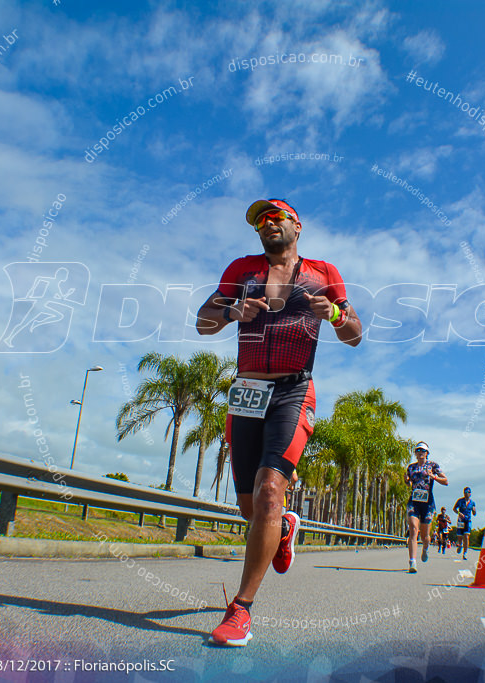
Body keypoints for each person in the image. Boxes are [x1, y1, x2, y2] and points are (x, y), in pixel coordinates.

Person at [196, 198, 362, 646]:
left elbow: (355, 335)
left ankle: (241, 610)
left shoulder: (324, 272)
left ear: (296, 226)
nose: (267, 224)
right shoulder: (242, 269)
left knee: (271, 489)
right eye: (260, 221)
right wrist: (231, 312)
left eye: (275, 217)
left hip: (293, 389)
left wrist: (335, 314)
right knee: (253, 510)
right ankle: (284, 527)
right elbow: (202, 322)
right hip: (247, 392)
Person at [404, 441, 448, 573]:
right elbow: (409, 482)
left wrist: (433, 476)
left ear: (427, 453)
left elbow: (445, 481)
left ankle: (425, 547)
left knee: (425, 536)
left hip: (428, 503)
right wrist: (407, 480)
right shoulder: (411, 467)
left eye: (423, 451)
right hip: (414, 502)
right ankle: (412, 562)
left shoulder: (433, 466)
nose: (420, 453)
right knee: (413, 528)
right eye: (418, 450)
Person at [453, 487, 477, 560]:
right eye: (465, 492)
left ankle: (465, 552)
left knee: (466, 536)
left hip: (468, 520)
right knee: (460, 537)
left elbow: (474, 514)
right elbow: (454, 509)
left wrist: (474, 510)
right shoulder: (460, 501)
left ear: (470, 493)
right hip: (461, 520)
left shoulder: (472, 503)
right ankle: (460, 545)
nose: (467, 493)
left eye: (468, 492)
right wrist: (459, 513)